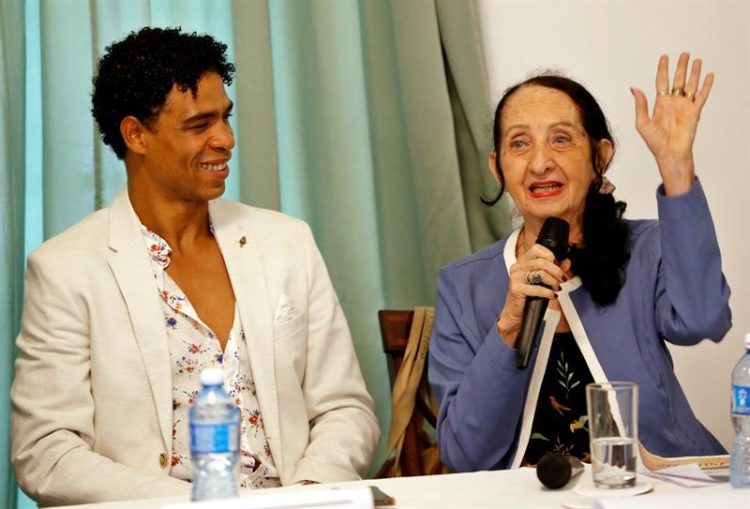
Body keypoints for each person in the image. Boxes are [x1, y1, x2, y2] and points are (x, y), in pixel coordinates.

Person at [11, 27, 379, 506]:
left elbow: (345, 409)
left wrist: (307, 494)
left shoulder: (287, 242)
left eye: (225, 118)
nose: (225, 139)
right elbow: (47, 454)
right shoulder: (65, 269)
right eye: (198, 124)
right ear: (136, 135)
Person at [428, 53, 730, 472]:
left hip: (652, 492)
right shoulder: (463, 286)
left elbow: (705, 321)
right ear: (498, 168)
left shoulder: (645, 250)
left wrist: (676, 167)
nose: (539, 162)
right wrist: (509, 327)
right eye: (519, 143)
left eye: (561, 139)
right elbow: (465, 454)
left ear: (599, 157)